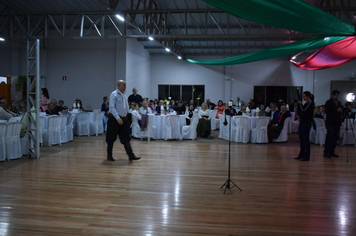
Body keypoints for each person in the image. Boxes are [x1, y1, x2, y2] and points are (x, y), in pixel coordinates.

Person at [106, 80, 140, 161]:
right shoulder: (113, 94)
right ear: (119, 85)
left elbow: (126, 107)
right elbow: (111, 107)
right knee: (111, 138)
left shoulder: (125, 96)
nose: (125, 87)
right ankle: (109, 155)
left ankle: (131, 155)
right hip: (115, 119)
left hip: (123, 119)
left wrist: (125, 116)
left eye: (125, 85)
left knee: (126, 137)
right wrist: (118, 118)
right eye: (124, 85)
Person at [295, 91, 315, 161]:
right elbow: (301, 111)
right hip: (302, 122)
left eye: (304, 96)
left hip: (306, 123)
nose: (303, 98)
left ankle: (307, 156)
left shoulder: (311, 103)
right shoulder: (306, 103)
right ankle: (302, 154)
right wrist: (299, 105)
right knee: (302, 139)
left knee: (306, 139)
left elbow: (303, 110)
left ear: (308, 96)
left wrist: (300, 104)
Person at [323, 90, 343, 158]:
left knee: (335, 138)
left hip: (337, 122)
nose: (337, 97)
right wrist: (336, 111)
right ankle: (326, 152)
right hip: (330, 123)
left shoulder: (339, 102)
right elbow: (328, 111)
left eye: (338, 96)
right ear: (333, 95)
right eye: (336, 96)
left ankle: (332, 151)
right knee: (329, 137)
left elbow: (341, 109)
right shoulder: (328, 102)